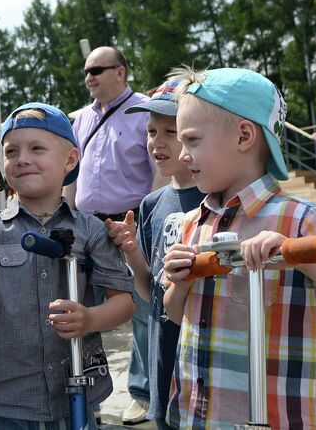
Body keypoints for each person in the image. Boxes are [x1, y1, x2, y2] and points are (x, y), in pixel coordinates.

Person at [0, 102, 135, 429]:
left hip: (74, 399)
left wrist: (90, 318)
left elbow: (124, 301)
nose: (22, 159)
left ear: (70, 159)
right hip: (5, 403)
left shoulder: (91, 229)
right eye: (11, 152)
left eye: (37, 148)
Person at [162, 67, 316, 429]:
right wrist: (181, 281)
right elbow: (173, 313)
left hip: (279, 415)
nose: (182, 153)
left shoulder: (301, 220)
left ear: (244, 136)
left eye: (192, 139)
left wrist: (291, 251)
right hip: (195, 415)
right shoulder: (191, 223)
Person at [65, 45, 162, 424]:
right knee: (84, 309)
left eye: (98, 69)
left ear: (120, 72)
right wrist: (67, 217)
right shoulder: (82, 118)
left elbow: (160, 168)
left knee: (141, 309)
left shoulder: (143, 111)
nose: (89, 76)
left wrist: (149, 220)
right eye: (87, 71)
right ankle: (87, 395)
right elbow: (72, 175)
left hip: (130, 224)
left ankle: (141, 392)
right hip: (87, 226)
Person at [105, 77, 203, 430]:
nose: (156, 143)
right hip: (163, 363)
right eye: (150, 131)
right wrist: (132, 252)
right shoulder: (150, 205)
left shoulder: (217, 200)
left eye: (170, 131)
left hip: (201, 363)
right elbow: (151, 294)